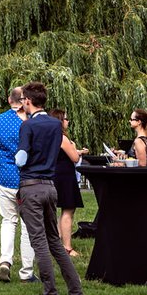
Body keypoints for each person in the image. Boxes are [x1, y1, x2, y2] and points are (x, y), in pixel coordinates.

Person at [14, 81, 87, 295]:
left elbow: (22, 158)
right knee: (54, 241)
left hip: (31, 187)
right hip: (50, 186)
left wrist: (16, 157)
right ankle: (76, 292)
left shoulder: (28, 126)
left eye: (23, 101)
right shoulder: (56, 125)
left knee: (39, 243)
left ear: (27, 101)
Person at [0, 87, 36, 283]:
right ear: (23, 101)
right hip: (28, 178)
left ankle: (5, 261)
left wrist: (3, 152)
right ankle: (27, 271)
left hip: (5, 176)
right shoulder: (30, 122)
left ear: (8, 100)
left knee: (8, 220)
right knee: (28, 225)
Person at [47, 109, 86, 258]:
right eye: (66, 119)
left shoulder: (49, 137)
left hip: (54, 175)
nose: (68, 121)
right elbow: (75, 158)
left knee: (56, 211)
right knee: (68, 210)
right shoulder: (62, 138)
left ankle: (55, 243)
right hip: (65, 177)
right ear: (60, 121)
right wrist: (74, 148)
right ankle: (67, 247)